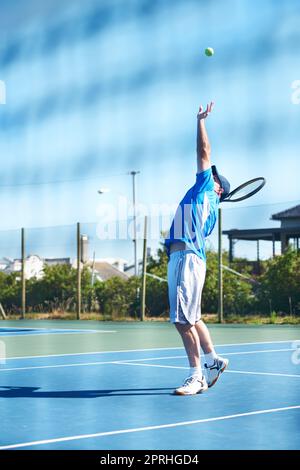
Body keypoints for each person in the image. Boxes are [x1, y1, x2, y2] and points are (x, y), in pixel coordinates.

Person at [165, 102, 230, 395]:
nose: (208, 172)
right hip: (189, 259)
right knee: (194, 317)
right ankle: (213, 360)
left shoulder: (205, 188)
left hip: (186, 259)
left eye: (213, 175)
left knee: (181, 321)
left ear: (217, 187)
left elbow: (203, 152)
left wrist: (200, 121)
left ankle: (197, 376)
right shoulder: (210, 203)